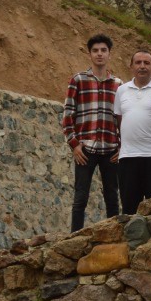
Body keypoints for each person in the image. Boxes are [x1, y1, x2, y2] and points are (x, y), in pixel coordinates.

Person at [62, 33, 120, 231]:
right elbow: (68, 115)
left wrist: (123, 146)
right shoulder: (78, 80)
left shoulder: (118, 85)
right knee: (80, 198)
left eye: (104, 50)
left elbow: (123, 119)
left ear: (109, 54)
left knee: (112, 197)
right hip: (85, 149)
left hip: (111, 149)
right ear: (89, 54)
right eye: (95, 50)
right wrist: (74, 144)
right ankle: (73, 239)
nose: (99, 54)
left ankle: (115, 235)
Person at [114, 48, 151, 213]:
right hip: (128, 156)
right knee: (129, 207)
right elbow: (119, 119)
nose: (142, 66)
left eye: (146, 63)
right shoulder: (121, 90)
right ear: (131, 66)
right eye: (138, 62)